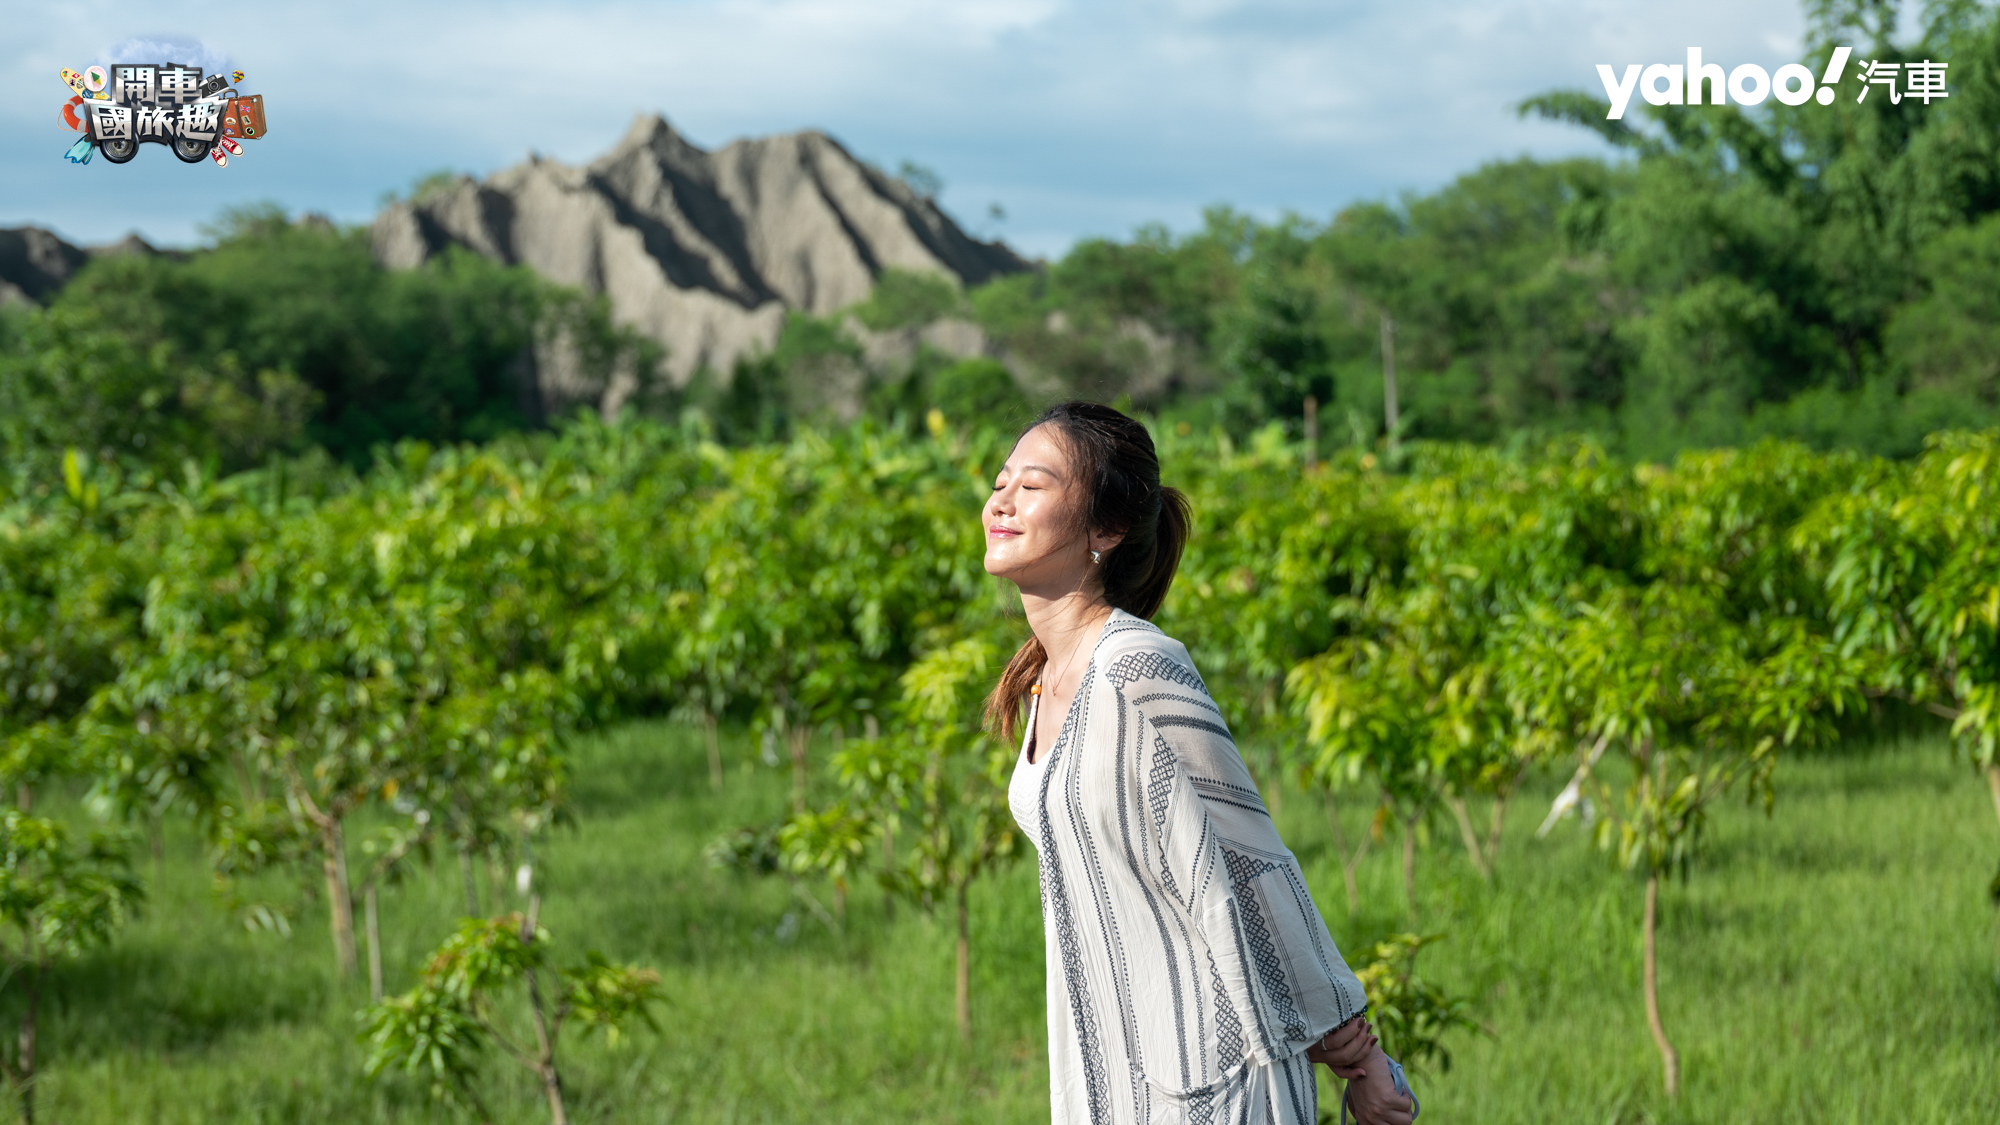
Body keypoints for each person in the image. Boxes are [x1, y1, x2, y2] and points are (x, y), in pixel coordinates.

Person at [984, 402, 1418, 1125]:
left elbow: (1252, 864)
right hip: (1109, 1073)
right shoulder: (1044, 679)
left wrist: (1360, 1056)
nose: (1002, 500)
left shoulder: (1138, 666)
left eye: (1032, 485)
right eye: (1001, 482)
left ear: (1105, 528)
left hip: (1209, 1081)